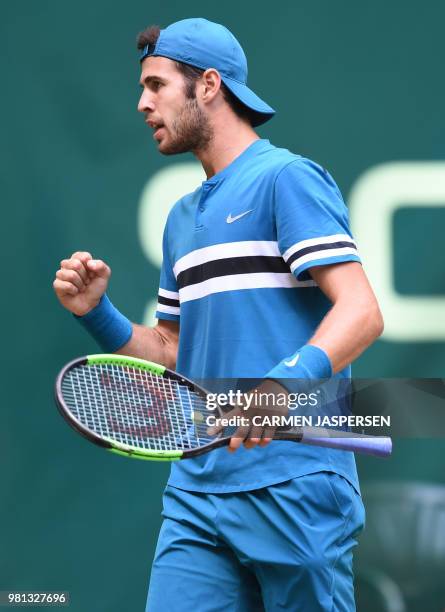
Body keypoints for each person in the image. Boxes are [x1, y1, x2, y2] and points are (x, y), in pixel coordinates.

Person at [53, 18, 384, 611]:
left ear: (208, 85)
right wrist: (96, 313)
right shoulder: (182, 218)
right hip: (197, 495)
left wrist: (282, 386)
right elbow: (172, 351)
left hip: (297, 483)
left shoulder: (287, 179)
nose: (142, 103)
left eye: (156, 86)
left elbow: (361, 311)